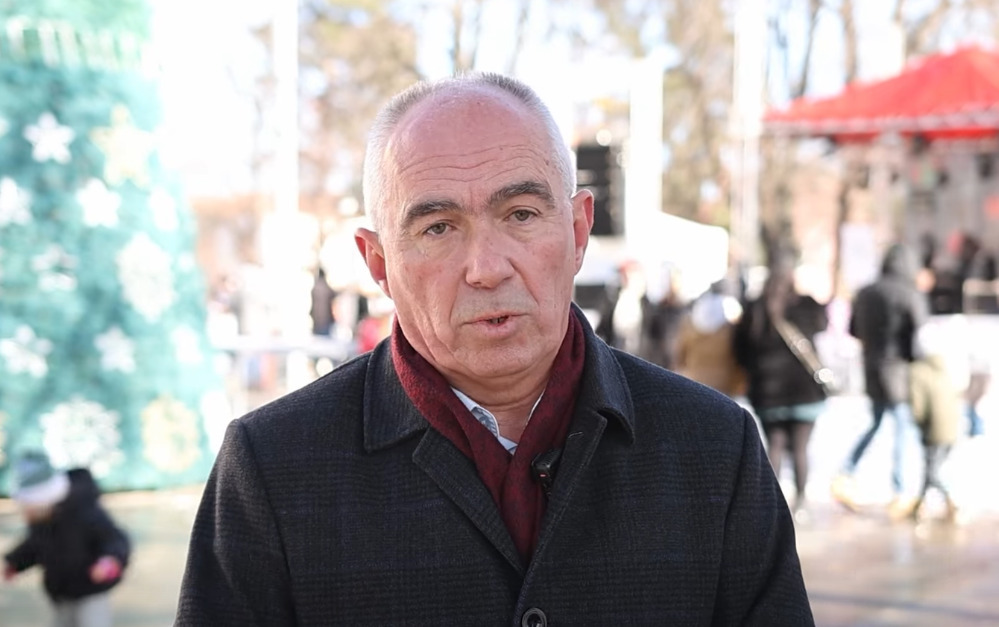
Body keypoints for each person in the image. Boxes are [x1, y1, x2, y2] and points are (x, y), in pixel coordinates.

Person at [176, 73, 813, 625]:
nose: (486, 268)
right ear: (378, 262)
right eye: (438, 228)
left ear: (578, 230)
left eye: (521, 215)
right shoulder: (275, 468)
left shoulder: (714, 449)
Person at [832, 243, 929, 519]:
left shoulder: (866, 292)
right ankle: (901, 491)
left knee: (876, 423)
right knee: (902, 429)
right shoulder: (909, 293)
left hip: (871, 367)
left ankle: (845, 473)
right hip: (899, 371)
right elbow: (919, 334)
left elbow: (853, 329)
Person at [733, 256, 829, 521]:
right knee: (800, 448)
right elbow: (823, 325)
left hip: (767, 392)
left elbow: (739, 351)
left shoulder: (755, 308)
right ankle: (801, 503)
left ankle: (770, 504)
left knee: (774, 444)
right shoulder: (806, 305)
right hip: (805, 391)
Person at [3, 450, 130, 627]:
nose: (26, 515)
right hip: (61, 592)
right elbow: (34, 546)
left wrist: (110, 560)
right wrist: (14, 562)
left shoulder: (85, 512)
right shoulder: (42, 521)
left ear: (43, 499)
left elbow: (115, 540)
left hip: (89, 590)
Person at [907, 325, 962, 522]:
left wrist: (918, 423)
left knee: (932, 472)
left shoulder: (917, 371)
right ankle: (919, 507)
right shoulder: (944, 366)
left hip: (934, 430)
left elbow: (918, 407)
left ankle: (953, 500)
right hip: (952, 428)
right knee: (931, 469)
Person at [674, 281, 747, 399]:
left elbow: (679, 357)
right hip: (723, 388)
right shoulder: (729, 332)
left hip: (694, 384)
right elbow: (739, 361)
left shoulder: (689, 329)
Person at [309, 266, 338, 337]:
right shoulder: (327, 288)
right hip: (326, 320)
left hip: (317, 320)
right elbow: (334, 295)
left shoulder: (314, 288)